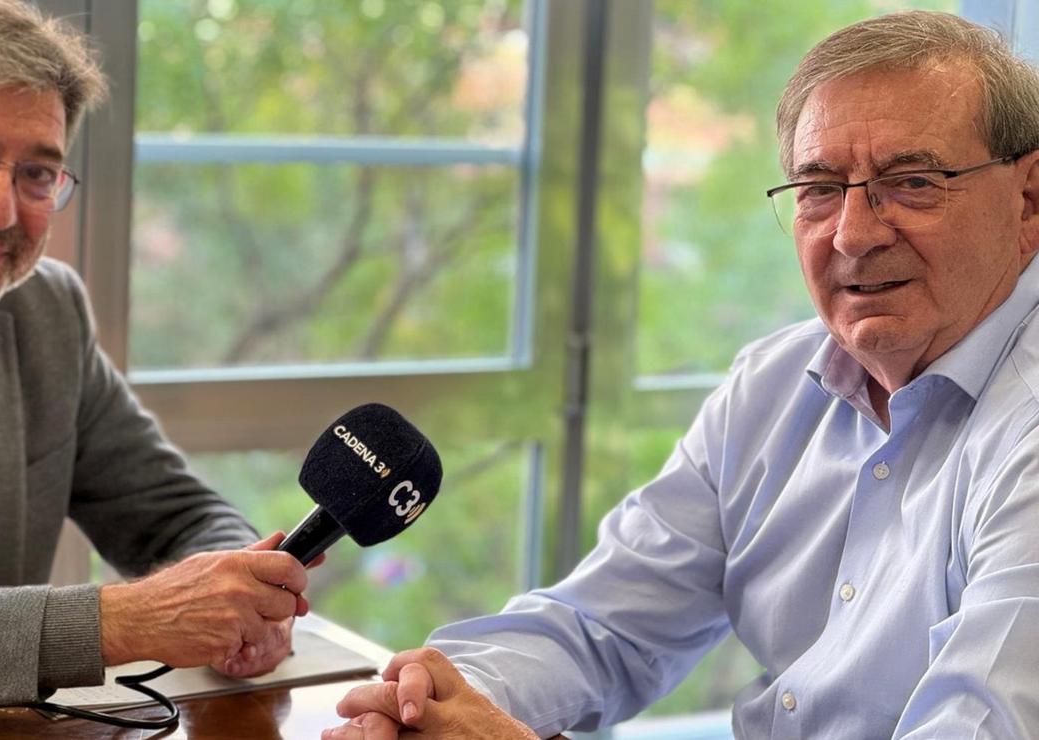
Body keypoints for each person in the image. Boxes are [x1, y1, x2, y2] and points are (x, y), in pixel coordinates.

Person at [326, 10, 1039, 739]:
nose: (853, 234)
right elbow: (603, 627)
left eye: (913, 182)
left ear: (1029, 200)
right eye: (819, 189)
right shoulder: (772, 385)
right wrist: (435, 701)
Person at [0, 0, 312, 716]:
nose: (0, 211)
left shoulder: (46, 311)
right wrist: (115, 623)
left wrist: (241, 594)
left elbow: (175, 514)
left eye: (36, 174)